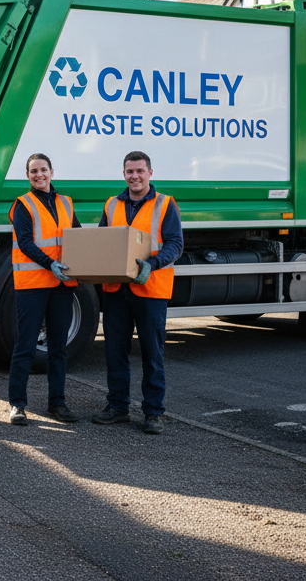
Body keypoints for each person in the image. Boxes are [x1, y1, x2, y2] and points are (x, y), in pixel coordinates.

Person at [90, 151, 184, 434]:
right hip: (116, 290)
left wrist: (152, 264)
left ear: (150, 173)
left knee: (152, 353)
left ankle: (153, 412)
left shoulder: (165, 204)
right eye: (130, 171)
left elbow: (175, 244)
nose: (135, 176)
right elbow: (103, 242)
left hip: (150, 288)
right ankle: (117, 406)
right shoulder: (111, 204)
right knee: (115, 350)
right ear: (124, 174)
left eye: (140, 171)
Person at [7, 153, 83, 425]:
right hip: (33, 286)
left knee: (58, 349)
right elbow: (25, 243)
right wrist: (50, 263)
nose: (38, 175)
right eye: (33, 171)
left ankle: (57, 403)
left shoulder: (66, 203)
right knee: (25, 346)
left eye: (43, 170)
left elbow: (77, 238)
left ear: (52, 171)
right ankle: (17, 404)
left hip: (62, 286)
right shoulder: (22, 205)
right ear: (28, 176)